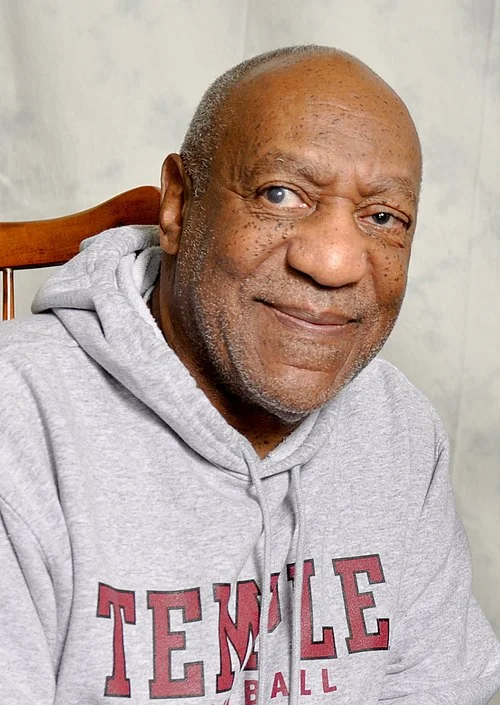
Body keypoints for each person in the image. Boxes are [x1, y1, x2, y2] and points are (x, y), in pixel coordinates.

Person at [0, 45, 499, 705]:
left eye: (382, 217)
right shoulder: (19, 423)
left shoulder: (398, 427)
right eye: (281, 194)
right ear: (179, 205)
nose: (334, 261)